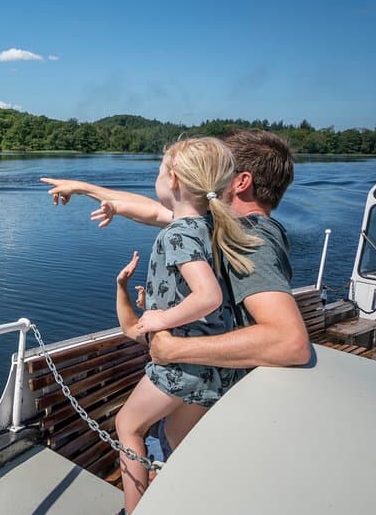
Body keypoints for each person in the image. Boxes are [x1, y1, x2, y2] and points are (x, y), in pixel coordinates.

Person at [41, 131, 310, 444]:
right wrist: (84, 188)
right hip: (213, 387)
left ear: (240, 182)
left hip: (223, 391)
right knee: (171, 437)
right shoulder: (216, 225)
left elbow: (290, 341)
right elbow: (155, 210)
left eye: (219, 169)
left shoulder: (253, 240)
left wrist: (174, 348)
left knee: (135, 428)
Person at [102, 138, 260, 513]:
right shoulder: (211, 226)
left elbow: (208, 296)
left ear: (173, 180)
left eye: (158, 171)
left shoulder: (177, 233)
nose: (156, 178)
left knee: (128, 425)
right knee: (176, 438)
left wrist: (162, 317)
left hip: (181, 365)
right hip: (209, 366)